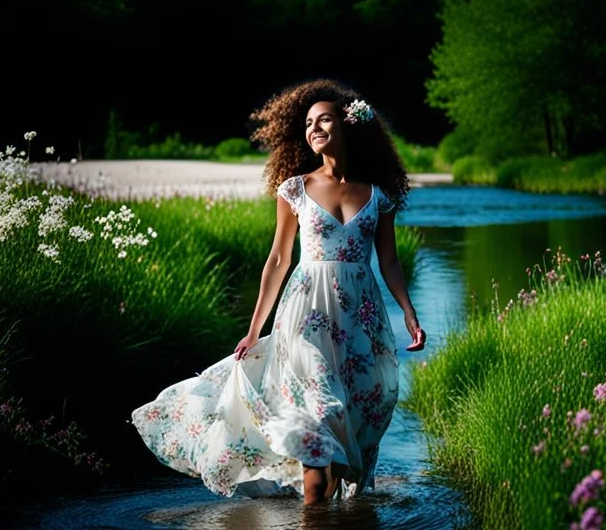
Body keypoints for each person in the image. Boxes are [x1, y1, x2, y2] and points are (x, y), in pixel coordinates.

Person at [131, 78, 426, 505]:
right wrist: (254, 331)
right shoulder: (295, 189)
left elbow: (390, 262)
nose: (314, 128)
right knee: (321, 419)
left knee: (348, 435)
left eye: (324, 119)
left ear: (349, 127)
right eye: (308, 123)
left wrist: (410, 314)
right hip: (305, 318)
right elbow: (277, 261)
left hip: (361, 322)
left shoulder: (378, 196)